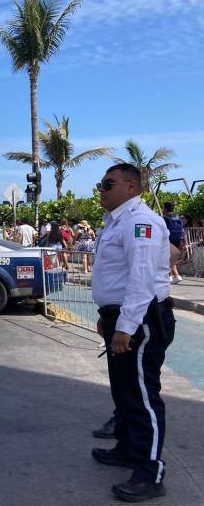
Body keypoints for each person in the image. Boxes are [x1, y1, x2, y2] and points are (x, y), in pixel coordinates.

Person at [90, 163, 175, 502]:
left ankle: (150, 472)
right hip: (123, 317)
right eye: (101, 183)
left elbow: (141, 279)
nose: (101, 189)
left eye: (107, 183)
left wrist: (125, 326)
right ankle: (127, 449)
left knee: (142, 397)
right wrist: (108, 318)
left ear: (130, 187)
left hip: (141, 319)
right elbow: (117, 276)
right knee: (125, 392)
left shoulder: (140, 222)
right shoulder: (117, 222)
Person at [162, 202, 185, 284]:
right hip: (178, 240)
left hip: (169, 240)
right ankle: (172, 276)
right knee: (172, 259)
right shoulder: (178, 218)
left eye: (163, 208)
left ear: (165, 209)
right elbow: (183, 230)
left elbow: (163, 230)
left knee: (167, 259)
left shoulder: (165, 218)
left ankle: (175, 276)